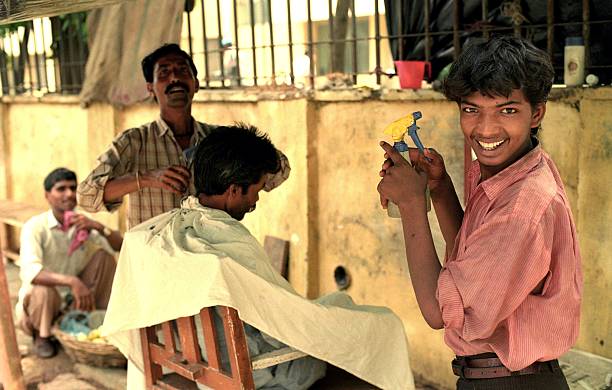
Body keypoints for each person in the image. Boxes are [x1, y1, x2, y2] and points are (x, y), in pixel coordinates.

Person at [102, 124, 413, 389]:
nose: (256, 201)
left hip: (193, 361)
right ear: (235, 190)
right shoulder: (227, 244)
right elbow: (282, 324)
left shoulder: (160, 233)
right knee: (376, 334)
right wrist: (336, 318)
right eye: (257, 191)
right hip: (248, 371)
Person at [377, 35, 581, 389]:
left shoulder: (522, 208)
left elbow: (438, 312)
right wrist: (439, 190)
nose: (486, 129)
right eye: (472, 109)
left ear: (537, 113)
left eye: (507, 110)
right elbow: (474, 259)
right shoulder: (508, 172)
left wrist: (412, 205)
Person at [77, 43, 289, 229]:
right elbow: (86, 197)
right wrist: (148, 178)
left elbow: (280, 170)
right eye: (164, 73)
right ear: (150, 88)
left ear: (195, 84)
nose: (175, 78)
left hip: (207, 256)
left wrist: (236, 152)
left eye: (182, 70)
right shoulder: (133, 142)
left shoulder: (216, 139)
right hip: (157, 263)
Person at [17, 168, 122, 358]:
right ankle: (43, 336)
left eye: (73, 188)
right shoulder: (35, 227)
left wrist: (98, 227)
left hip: (73, 302)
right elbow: (30, 272)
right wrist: (72, 281)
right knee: (43, 287)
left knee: (104, 259)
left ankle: (95, 319)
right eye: (61, 189)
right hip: (42, 305)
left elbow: (120, 246)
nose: (69, 194)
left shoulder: (82, 223)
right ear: (47, 196)